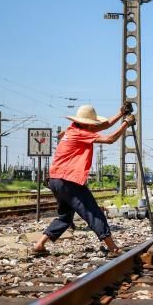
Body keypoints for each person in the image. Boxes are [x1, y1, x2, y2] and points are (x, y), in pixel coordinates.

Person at [33, 104, 134, 257]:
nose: (94, 126)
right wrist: (126, 123)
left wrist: (120, 114)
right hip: (68, 180)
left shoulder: (71, 129)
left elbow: (104, 125)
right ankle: (113, 248)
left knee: (65, 217)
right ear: (87, 123)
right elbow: (110, 139)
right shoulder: (81, 133)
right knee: (92, 211)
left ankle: (39, 244)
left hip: (55, 179)